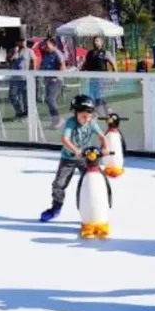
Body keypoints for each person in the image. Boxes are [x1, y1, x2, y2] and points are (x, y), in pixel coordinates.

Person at [39, 94, 109, 222]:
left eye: (88, 116)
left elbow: (102, 137)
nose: (86, 119)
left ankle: (97, 207)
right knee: (58, 185)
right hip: (68, 159)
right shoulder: (71, 123)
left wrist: (105, 148)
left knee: (95, 180)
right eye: (83, 116)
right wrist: (76, 150)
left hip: (86, 158)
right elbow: (65, 139)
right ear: (75, 113)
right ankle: (56, 207)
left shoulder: (91, 123)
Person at [82, 36, 116, 114]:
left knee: (98, 93)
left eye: (97, 41)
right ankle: (107, 108)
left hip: (101, 77)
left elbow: (113, 64)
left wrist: (115, 75)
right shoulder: (89, 53)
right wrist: (81, 71)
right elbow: (86, 64)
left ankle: (97, 112)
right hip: (92, 77)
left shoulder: (105, 52)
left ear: (101, 42)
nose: (95, 42)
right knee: (94, 93)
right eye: (94, 41)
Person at [39, 38, 66, 129]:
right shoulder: (46, 54)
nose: (45, 46)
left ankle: (59, 119)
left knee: (50, 99)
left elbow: (62, 65)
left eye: (47, 44)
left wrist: (56, 77)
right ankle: (54, 121)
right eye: (44, 44)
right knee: (48, 100)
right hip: (48, 80)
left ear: (53, 45)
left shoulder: (57, 53)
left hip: (56, 81)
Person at [9, 39, 35, 120]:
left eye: (24, 41)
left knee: (25, 97)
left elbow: (34, 60)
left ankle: (27, 114)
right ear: (17, 42)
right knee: (12, 95)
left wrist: (33, 73)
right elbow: (9, 60)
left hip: (25, 78)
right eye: (21, 41)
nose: (23, 43)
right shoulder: (13, 50)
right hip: (15, 78)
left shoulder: (29, 51)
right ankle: (19, 112)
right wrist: (15, 52)